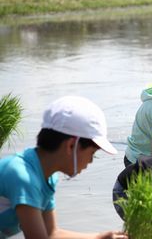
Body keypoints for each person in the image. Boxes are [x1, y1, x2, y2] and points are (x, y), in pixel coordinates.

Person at [0, 96, 126, 239]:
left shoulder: (46, 175)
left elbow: (52, 233)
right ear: (71, 145)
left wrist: (100, 237)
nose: (90, 161)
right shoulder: (22, 176)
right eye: (92, 153)